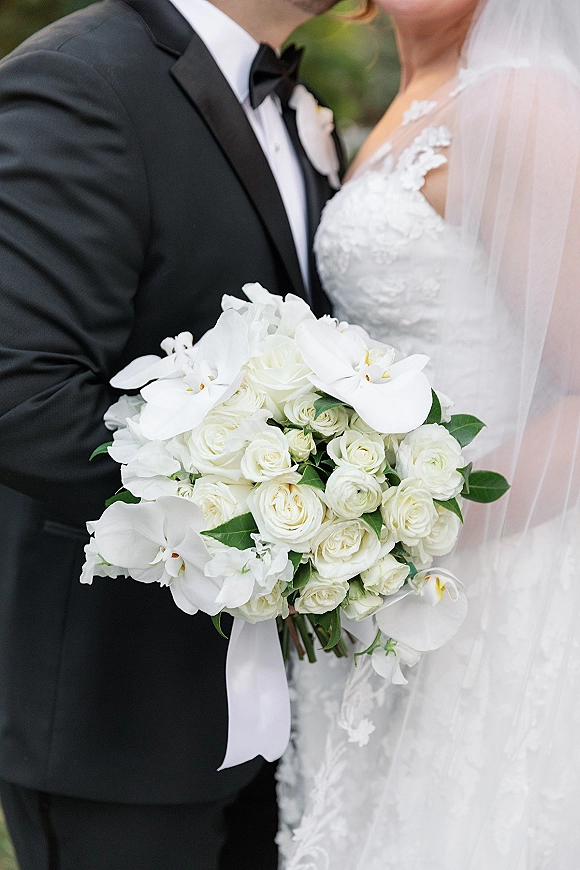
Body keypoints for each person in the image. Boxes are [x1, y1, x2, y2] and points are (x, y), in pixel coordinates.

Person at [0, 0, 343, 867]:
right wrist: (277, 515)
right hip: (115, 711)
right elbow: (20, 392)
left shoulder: (291, 105)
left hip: (282, 709)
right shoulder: (83, 79)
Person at [279, 0, 580, 867]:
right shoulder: (407, 107)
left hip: (482, 576)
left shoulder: (518, 103)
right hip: (376, 577)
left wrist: (412, 529)